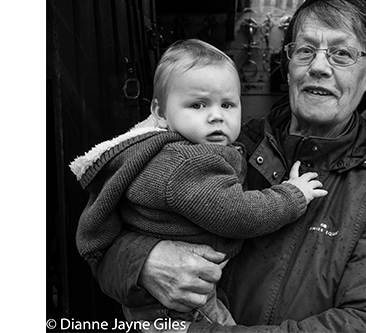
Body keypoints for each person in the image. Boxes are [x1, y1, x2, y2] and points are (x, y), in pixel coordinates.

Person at [90, 0, 366, 332]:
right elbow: (101, 245)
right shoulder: (222, 148)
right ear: (289, 66)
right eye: (306, 50)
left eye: (341, 54)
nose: (319, 67)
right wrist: (144, 262)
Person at [69, 39, 328, 326]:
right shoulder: (185, 162)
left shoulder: (171, 151)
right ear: (160, 112)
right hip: (177, 304)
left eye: (228, 104)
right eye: (197, 104)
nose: (216, 115)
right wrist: (292, 196)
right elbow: (238, 213)